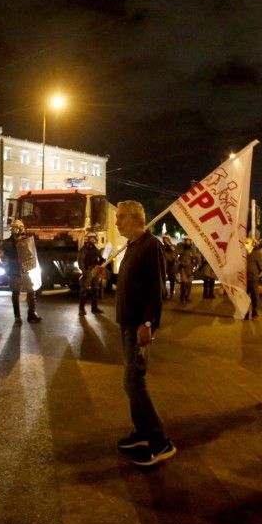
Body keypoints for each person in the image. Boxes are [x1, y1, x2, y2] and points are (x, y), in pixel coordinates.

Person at [113, 200, 176, 467]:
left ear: (136, 218)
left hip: (139, 325)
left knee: (134, 381)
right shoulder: (134, 245)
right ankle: (141, 432)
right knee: (131, 382)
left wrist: (148, 324)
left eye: (121, 217)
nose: (116, 222)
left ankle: (160, 442)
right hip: (128, 323)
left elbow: (155, 290)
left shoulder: (151, 246)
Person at [0, 219, 42, 323]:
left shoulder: (26, 241)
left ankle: (31, 314)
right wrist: (1, 263)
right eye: (13, 228)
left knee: (31, 292)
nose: (14, 230)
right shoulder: (7, 242)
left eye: (16, 228)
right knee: (15, 293)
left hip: (25, 270)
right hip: (14, 271)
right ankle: (17, 316)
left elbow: (31, 255)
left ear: (20, 229)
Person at [77, 233, 106, 316]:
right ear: (88, 238)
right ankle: (81, 309)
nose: (92, 239)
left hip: (95, 271)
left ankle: (94, 307)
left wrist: (102, 260)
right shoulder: (84, 249)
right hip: (88, 271)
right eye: (91, 238)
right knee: (84, 290)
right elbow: (80, 261)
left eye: (93, 238)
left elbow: (99, 259)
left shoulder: (95, 249)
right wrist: (84, 271)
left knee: (95, 289)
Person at [245, 237, 262, 320]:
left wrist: (257, 274)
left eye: (248, 243)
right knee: (244, 298)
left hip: (253, 279)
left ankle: (255, 312)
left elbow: (261, 266)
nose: (247, 245)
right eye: (245, 243)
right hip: (243, 280)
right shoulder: (242, 255)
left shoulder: (256, 254)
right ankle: (245, 313)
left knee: (254, 297)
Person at [175, 237, 198, 304]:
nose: (188, 242)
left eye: (189, 240)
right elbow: (175, 255)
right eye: (186, 240)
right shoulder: (181, 248)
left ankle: (187, 296)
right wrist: (179, 263)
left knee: (189, 284)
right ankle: (182, 297)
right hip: (183, 268)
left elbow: (195, 257)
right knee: (184, 283)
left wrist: (195, 262)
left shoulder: (192, 249)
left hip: (190, 268)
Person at [161, 234, 178, 300]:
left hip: (171, 264)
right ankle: (164, 292)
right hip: (164, 264)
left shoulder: (172, 246)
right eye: (164, 239)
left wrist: (169, 244)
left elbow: (174, 251)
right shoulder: (162, 247)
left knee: (172, 279)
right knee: (163, 279)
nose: (165, 240)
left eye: (166, 239)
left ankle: (171, 291)